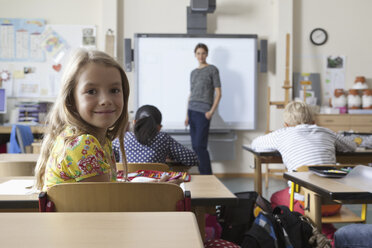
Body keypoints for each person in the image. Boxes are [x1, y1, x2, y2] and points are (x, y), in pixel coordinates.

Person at [251, 101, 357, 239]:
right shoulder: (327, 132)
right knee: (316, 205)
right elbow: (352, 146)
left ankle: (299, 234)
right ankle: (327, 235)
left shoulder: (282, 134)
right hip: (332, 203)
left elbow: (255, 144)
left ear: (286, 124)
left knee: (276, 198)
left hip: (303, 203)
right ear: (313, 120)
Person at [34, 49, 130, 191]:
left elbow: (108, 195)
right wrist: (158, 193)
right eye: (91, 91)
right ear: (71, 100)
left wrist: (149, 188)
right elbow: (108, 204)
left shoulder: (101, 140)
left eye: (114, 90)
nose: (105, 100)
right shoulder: (83, 145)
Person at [112, 104, 199, 167]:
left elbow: (109, 156)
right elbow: (192, 159)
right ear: (159, 128)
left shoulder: (122, 139)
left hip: (124, 189)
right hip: (156, 190)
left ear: (134, 122)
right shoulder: (164, 139)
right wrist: (170, 155)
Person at [185, 43, 222, 175]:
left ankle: (207, 176)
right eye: (198, 53)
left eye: (203, 53)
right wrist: (187, 115)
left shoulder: (212, 69)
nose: (201, 56)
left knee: (200, 146)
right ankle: (203, 175)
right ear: (195, 55)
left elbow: (219, 93)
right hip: (192, 110)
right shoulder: (193, 73)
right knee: (195, 146)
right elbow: (191, 93)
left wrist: (211, 112)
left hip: (203, 112)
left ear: (207, 54)